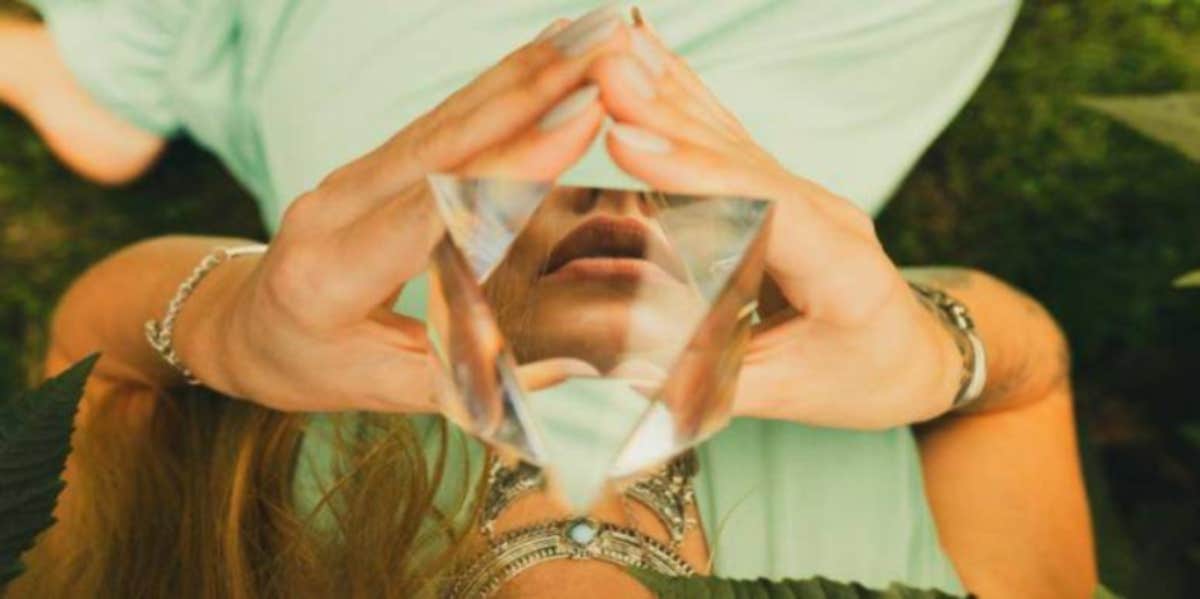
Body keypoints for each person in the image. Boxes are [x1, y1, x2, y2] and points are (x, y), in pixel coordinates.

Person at [1, 4, 1096, 598]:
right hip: (802, 89)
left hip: (396, 105)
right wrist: (932, 352)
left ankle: (133, 67)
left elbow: (96, 362)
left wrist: (228, 320)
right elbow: (1022, 391)